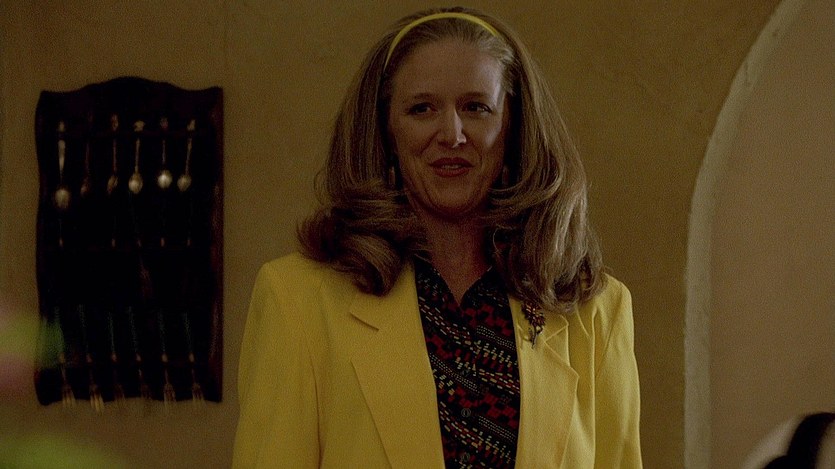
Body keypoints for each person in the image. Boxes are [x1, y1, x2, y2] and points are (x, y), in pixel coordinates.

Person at [233, 6, 642, 468]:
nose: (452, 133)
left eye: (476, 107)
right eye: (422, 108)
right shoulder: (295, 301)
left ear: (513, 128)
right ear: (386, 131)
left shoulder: (596, 312)